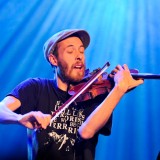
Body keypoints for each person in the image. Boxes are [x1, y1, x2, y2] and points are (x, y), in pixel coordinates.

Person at [0, 29, 143, 160]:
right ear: (53, 59)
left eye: (81, 51)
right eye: (70, 51)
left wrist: (118, 89)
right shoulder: (36, 87)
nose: (79, 56)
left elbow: (87, 131)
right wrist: (19, 118)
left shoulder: (97, 96)